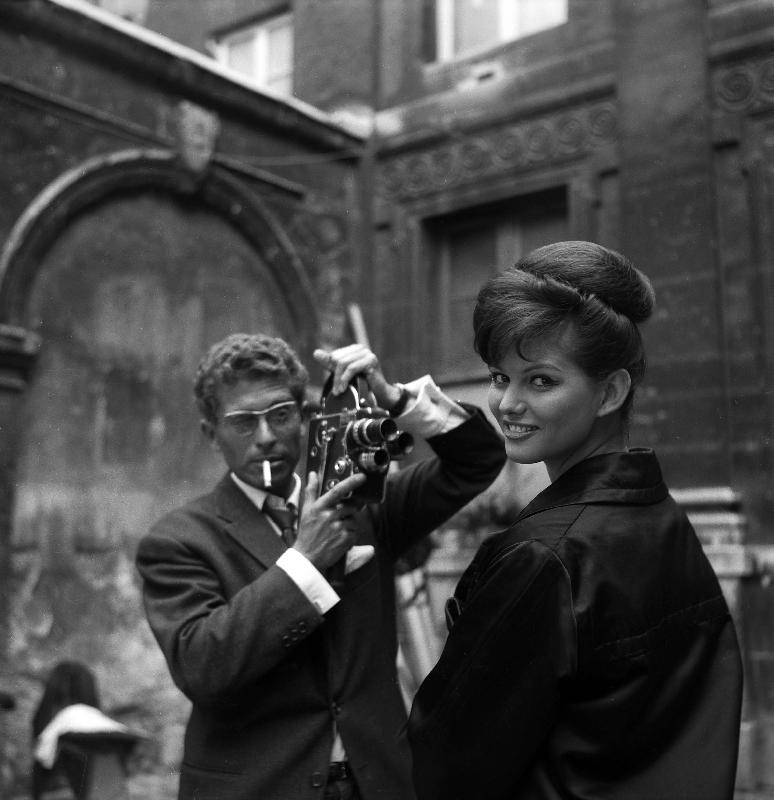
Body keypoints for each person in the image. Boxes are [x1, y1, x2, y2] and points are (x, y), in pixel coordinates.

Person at [408, 241, 744, 800]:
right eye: (498, 376)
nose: (506, 404)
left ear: (611, 391)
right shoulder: (660, 517)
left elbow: (447, 764)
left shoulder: (544, 556)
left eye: (540, 381)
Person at [135, 333, 505, 800]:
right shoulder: (180, 540)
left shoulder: (367, 506)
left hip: (380, 781)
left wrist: (396, 399)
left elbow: (479, 460)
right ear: (212, 434)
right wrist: (304, 563)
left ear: (306, 417)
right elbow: (202, 668)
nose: (266, 437)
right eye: (244, 423)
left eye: (280, 415)